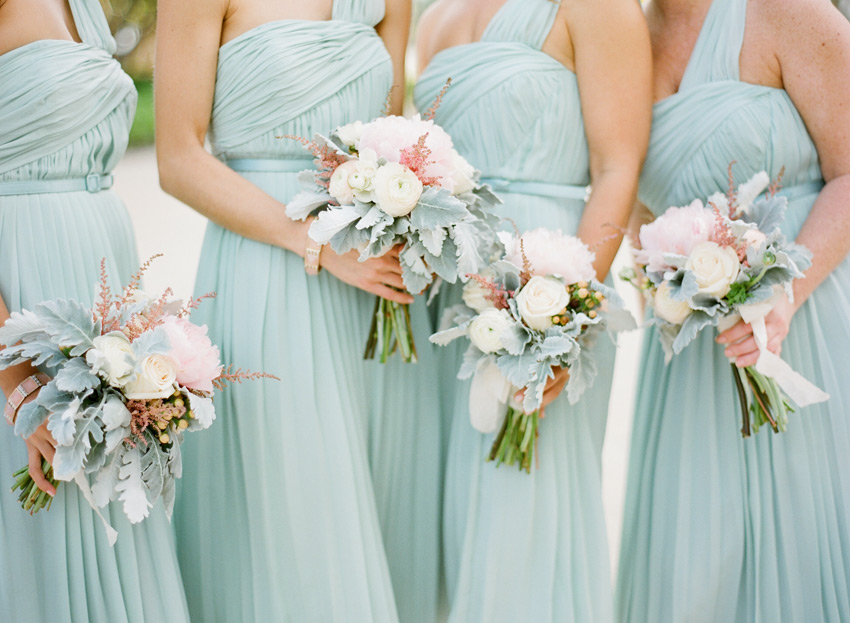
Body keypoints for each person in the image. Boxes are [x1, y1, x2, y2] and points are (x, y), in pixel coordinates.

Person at [154, 0, 412, 620]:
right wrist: (315, 242)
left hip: (373, 283)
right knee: (295, 515)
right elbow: (178, 159)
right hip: (268, 266)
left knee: (379, 505)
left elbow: (393, 135)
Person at [414, 0, 651, 620]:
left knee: (525, 507)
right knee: (462, 508)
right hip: (453, 297)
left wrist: (561, 315)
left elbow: (618, 167)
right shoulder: (435, 17)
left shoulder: (598, 10)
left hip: (550, 282)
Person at [616, 1, 850, 621]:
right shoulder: (625, 33)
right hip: (690, 348)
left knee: (802, 533)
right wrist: (658, 281)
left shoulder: (786, 12)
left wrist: (783, 295)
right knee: (698, 557)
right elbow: (635, 189)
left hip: (805, 317)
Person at [0, 1, 189, 621]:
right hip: (24, 293)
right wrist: (19, 388)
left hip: (102, 283)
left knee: (115, 501)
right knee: (50, 528)